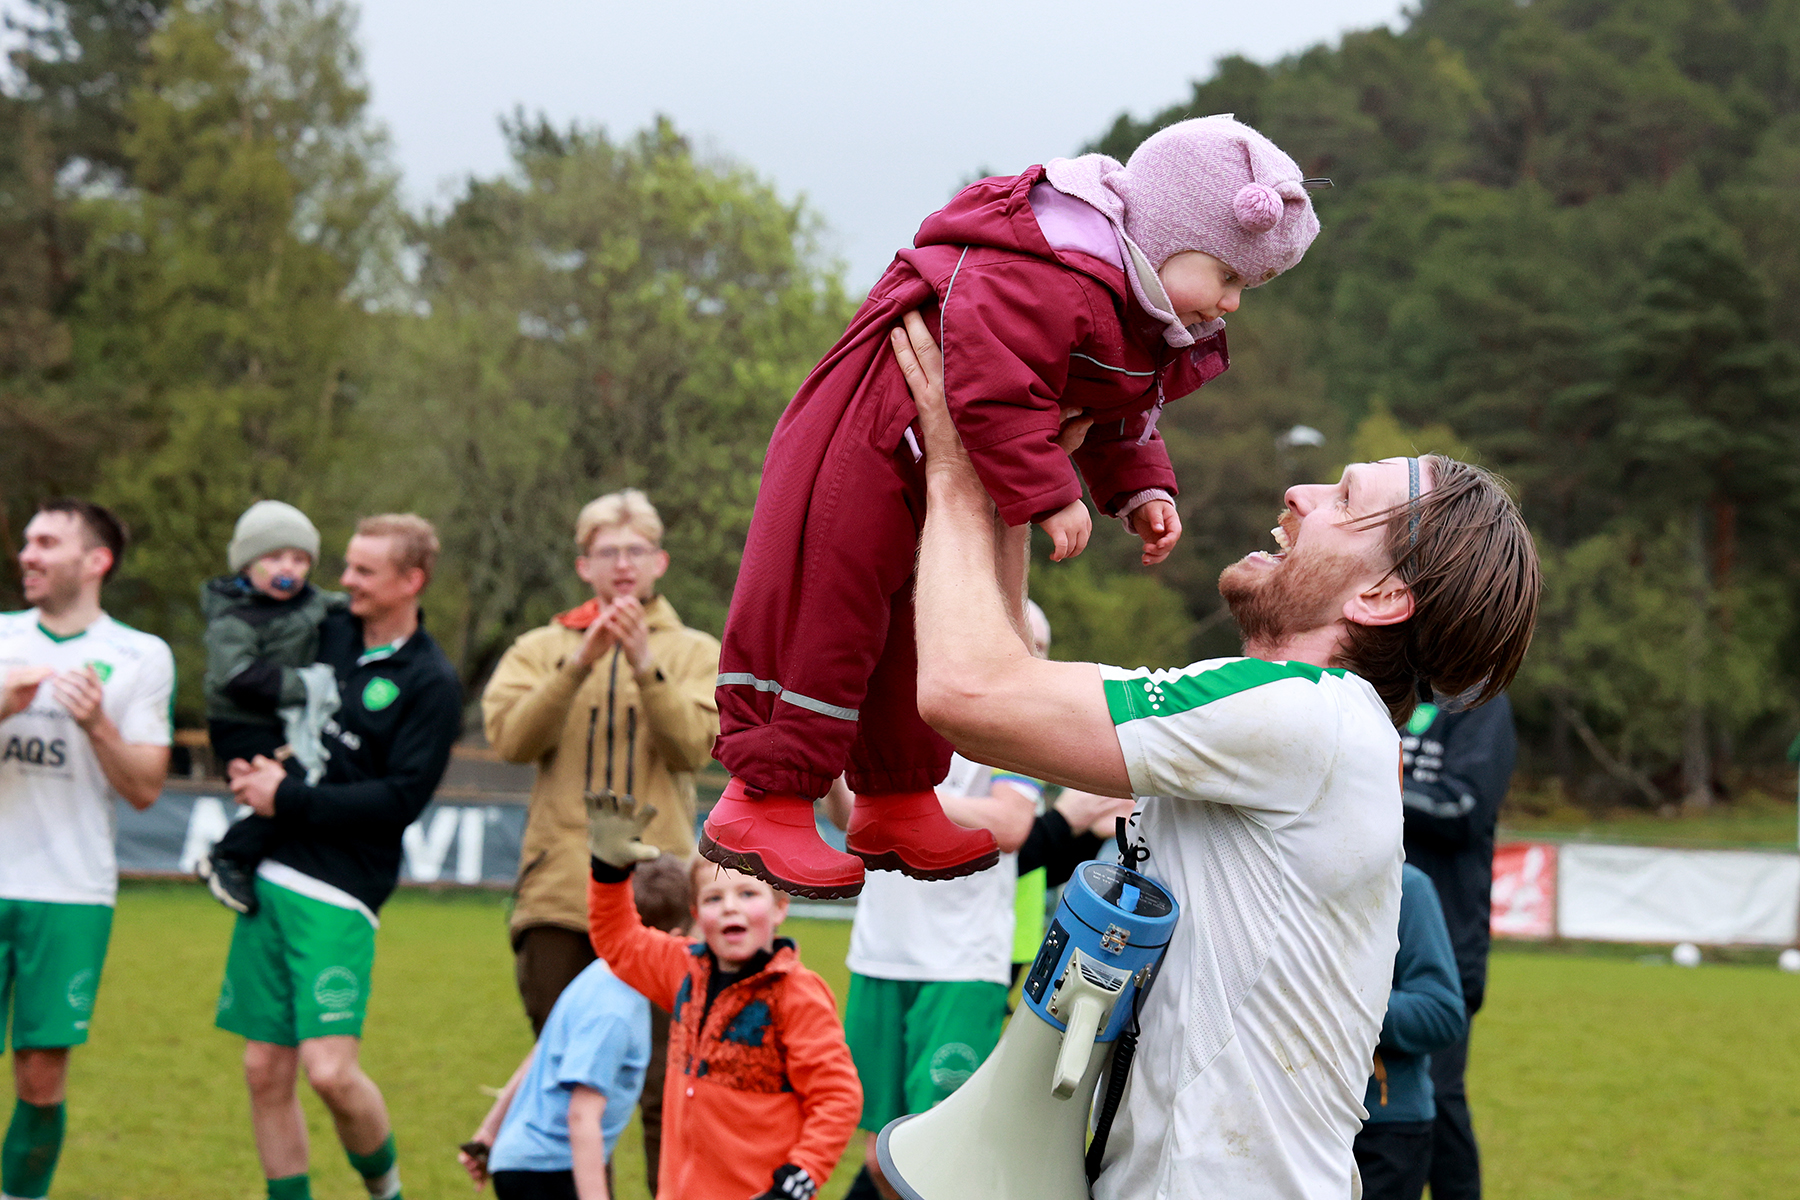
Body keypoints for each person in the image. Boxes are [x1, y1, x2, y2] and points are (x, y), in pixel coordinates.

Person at [890, 313, 1540, 1199]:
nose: (1300, 495)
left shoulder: (1298, 716)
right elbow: (1003, 675)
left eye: (1344, 501)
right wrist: (1011, 468)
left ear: (1386, 595)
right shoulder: (1317, 724)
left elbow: (966, 693)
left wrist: (956, 467)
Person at [705, 116, 1324, 899]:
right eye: (1229, 277)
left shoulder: (1129, 310)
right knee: (826, 606)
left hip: (935, 450)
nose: (1232, 304)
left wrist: (1140, 485)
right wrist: (1049, 493)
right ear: (1166, 235)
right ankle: (762, 798)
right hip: (867, 432)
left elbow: (1111, 406)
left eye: (1246, 290)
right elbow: (994, 383)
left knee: (912, 627)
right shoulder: (1047, 271)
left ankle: (895, 795)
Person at [827, 603, 1133, 1200]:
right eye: (1025, 643)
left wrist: (899, 804)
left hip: (960, 964)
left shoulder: (1006, 737)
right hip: (880, 954)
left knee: (932, 1157)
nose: (1033, 658)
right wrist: (835, 737)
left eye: (1040, 647)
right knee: (878, 1157)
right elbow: (848, 816)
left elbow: (1011, 823)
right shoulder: (895, 713)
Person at [215, 514, 462, 1200]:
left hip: (342, 890)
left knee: (328, 1071)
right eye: (347, 565)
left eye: (362, 570)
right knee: (264, 1069)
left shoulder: (431, 682)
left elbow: (400, 800)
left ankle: (386, 1191)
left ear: (411, 581)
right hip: (270, 873)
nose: (344, 580)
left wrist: (286, 797)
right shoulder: (328, 629)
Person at [482, 489, 719, 1193]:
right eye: (608, 552)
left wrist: (647, 666)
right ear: (584, 565)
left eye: (636, 551)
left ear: (660, 563)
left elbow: (696, 749)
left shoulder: (699, 651)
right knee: (573, 1078)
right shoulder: (539, 648)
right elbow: (510, 740)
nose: (622, 564)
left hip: (661, 896)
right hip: (558, 894)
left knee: (658, 1083)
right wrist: (579, 663)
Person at [0, 499, 173, 1200]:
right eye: (27, 542)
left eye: (47, 543)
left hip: (70, 892)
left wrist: (97, 724)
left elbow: (145, 789)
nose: (27, 555)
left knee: (41, 1075)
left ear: (95, 561)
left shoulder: (140, 656)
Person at [584, 808, 862, 1200]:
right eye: (714, 898)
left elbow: (837, 1096)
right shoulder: (681, 969)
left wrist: (799, 1178)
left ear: (780, 906)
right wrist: (608, 873)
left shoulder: (797, 994)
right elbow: (617, 940)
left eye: (747, 894)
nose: (730, 907)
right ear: (696, 914)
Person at [458, 857, 690, 1200]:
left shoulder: (598, 974)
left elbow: (541, 1053)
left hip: (524, 1162)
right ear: (673, 940)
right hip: (549, 1172)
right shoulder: (615, 1012)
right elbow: (582, 1116)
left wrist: (487, 1134)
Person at [198, 499, 347, 915]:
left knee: (309, 785)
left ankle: (265, 863)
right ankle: (229, 855)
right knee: (292, 788)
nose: (289, 569)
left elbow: (345, 608)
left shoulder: (310, 602)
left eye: (300, 559)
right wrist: (305, 686)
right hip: (240, 722)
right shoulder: (234, 616)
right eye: (275, 557)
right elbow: (237, 676)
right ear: (247, 565)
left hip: (282, 721)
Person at [1400, 693, 1517, 1199]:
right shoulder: (1389, 688)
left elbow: (1464, 805)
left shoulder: (1482, 705)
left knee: (1440, 1097)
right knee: (1376, 1107)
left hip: (1447, 942)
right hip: (1371, 935)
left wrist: (1368, 785)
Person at [1353, 864, 1466, 1200]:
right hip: (1280, 1120)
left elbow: (1442, 1012)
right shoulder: (1266, 873)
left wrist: (1346, 1006)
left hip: (1384, 1128)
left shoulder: (1408, 886)